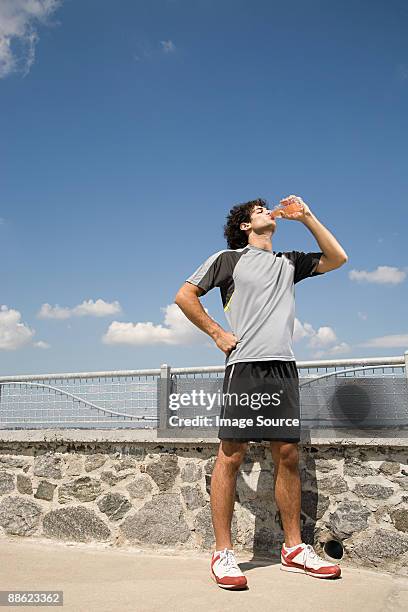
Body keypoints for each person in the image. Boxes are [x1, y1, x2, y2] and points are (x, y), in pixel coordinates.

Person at [174, 195, 348, 589]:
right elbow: (185, 295)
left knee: (287, 454)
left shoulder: (289, 262)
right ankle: (222, 552)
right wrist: (217, 332)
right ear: (244, 226)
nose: (266, 212)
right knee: (231, 455)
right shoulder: (228, 259)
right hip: (244, 367)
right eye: (257, 211)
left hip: (282, 368)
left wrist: (306, 217)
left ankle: (293, 549)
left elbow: (338, 258)